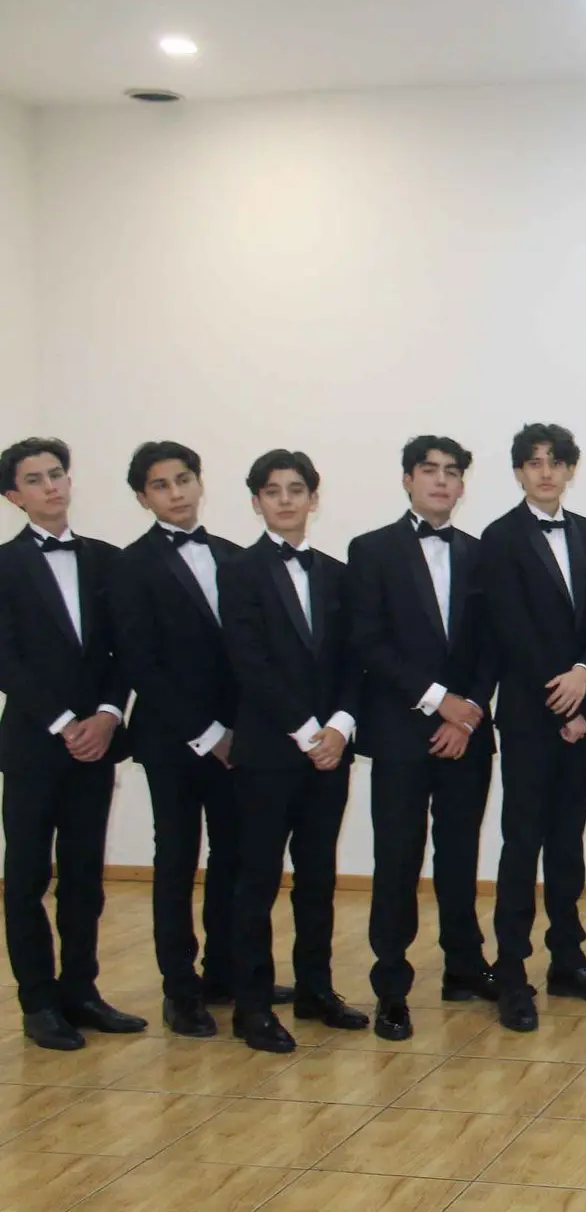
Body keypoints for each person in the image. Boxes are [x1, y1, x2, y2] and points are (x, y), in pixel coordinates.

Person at [111, 441, 267, 1038]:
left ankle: (224, 974)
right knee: (176, 860)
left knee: (235, 857)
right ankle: (180, 990)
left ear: (200, 483)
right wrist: (207, 734)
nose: (175, 493)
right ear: (142, 497)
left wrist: (239, 731)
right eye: (160, 485)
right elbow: (141, 664)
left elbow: (250, 654)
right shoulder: (130, 565)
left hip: (238, 740)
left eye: (183, 479)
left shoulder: (234, 556)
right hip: (174, 741)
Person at [347, 435, 499, 1043]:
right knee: (397, 859)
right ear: (408, 479)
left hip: (467, 734)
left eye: (451, 472)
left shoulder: (480, 553)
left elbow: (491, 644)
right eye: (429, 470)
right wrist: (440, 702)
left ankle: (464, 967)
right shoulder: (371, 550)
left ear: (462, 484)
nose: (441, 481)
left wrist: (468, 714)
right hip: (402, 732)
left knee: (460, 855)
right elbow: (367, 641)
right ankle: (391, 985)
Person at [0, 437, 145, 1051]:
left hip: (96, 741)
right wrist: (64, 722)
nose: (51, 486)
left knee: (85, 874)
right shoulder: (4, 565)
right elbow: (7, 659)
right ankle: (38, 1002)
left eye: (56, 474)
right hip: (35, 744)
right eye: (35, 479)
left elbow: (124, 651)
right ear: (14, 496)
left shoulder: (105, 560)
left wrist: (108, 716)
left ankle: (81, 991)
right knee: (27, 875)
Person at [480, 423, 586, 1032]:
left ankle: (567, 960)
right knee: (522, 842)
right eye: (534, 462)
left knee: (568, 842)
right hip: (530, 715)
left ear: (570, 469)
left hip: (580, 710)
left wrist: (584, 677)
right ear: (519, 472)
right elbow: (508, 629)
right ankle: (511, 970)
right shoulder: (499, 537)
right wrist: (563, 703)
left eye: (555, 462)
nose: (545, 472)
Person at [222, 449, 368, 1052]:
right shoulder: (238, 571)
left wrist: (339, 726)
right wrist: (308, 732)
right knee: (257, 880)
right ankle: (252, 1006)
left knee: (317, 877)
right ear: (257, 501)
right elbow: (248, 662)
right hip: (269, 752)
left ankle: (315, 989)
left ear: (314, 498)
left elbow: (355, 659)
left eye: (296, 489)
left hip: (330, 751)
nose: (285, 500)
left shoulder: (338, 573)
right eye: (273, 491)